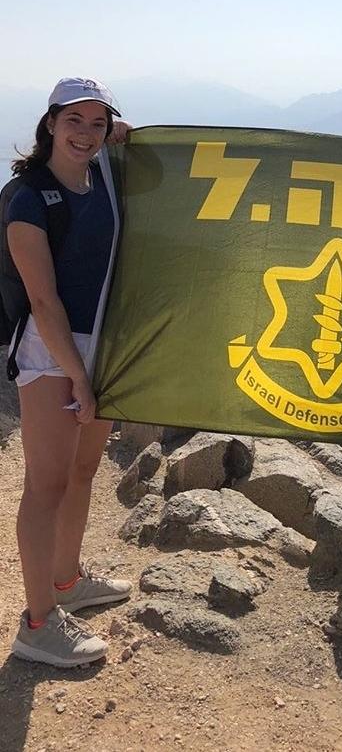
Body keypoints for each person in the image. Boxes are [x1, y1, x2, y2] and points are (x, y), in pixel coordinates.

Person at [6, 78, 133, 668]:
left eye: (97, 122)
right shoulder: (27, 198)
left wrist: (122, 134)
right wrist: (77, 376)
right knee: (47, 484)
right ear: (50, 123)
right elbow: (44, 301)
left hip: (101, 343)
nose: (85, 133)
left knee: (83, 470)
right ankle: (37, 625)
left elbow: (127, 140)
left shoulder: (102, 174)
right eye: (73, 120)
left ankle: (67, 582)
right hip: (51, 351)